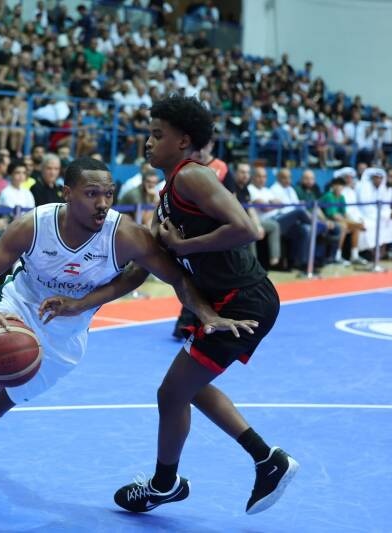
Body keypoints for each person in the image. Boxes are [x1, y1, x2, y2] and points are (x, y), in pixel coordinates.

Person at [0, 157, 260, 533]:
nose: (103, 203)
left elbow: (173, 277)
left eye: (108, 194)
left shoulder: (125, 235)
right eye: (92, 193)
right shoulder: (34, 225)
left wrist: (206, 315)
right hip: (17, 312)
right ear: (67, 193)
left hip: (65, 340)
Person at [60, 96, 298, 517]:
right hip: (226, 300)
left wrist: (184, 246)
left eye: (158, 135)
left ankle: (166, 483)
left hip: (242, 299)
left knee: (172, 393)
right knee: (189, 389)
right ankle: (265, 460)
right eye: (149, 134)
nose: (148, 143)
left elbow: (247, 228)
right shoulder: (169, 194)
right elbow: (141, 272)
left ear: (184, 141)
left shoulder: (192, 176)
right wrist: (82, 302)